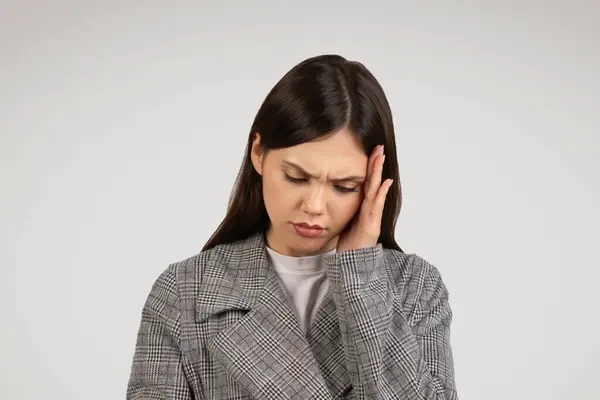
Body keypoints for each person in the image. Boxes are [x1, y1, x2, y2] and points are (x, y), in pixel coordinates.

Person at [126, 54, 458, 399]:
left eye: (344, 186)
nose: (314, 206)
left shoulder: (414, 288)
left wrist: (361, 274)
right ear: (258, 153)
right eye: (296, 177)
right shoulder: (185, 292)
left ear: (375, 182)